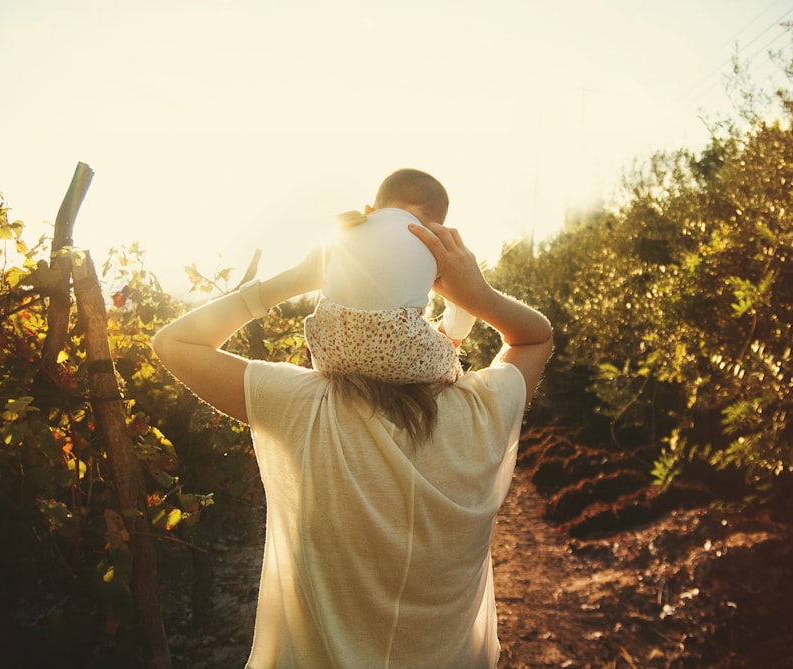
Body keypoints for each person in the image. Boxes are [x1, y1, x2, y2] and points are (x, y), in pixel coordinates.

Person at [152, 196, 554, 668]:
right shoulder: (483, 410)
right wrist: (477, 296)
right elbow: (534, 337)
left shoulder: (301, 406)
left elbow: (173, 343)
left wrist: (298, 278)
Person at [307, 168, 477, 385]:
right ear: (437, 228)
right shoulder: (429, 241)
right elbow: (462, 300)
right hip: (398, 355)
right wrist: (451, 337)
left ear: (370, 210)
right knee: (449, 359)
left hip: (328, 352)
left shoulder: (350, 229)